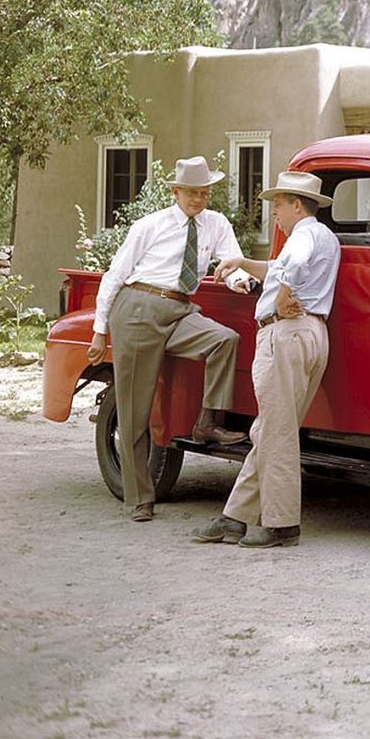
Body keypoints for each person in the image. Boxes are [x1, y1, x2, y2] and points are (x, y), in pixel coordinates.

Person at [88, 156, 246, 522]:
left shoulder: (216, 224)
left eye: (205, 193)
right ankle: (140, 496)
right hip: (140, 308)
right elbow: (115, 275)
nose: (199, 199)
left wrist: (241, 281)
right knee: (134, 409)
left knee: (224, 340)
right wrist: (99, 330)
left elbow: (231, 265)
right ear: (175, 192)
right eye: (192, 193)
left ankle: (207, 422)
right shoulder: (150, 225)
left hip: (180, 308)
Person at [190, 170, 340, 549]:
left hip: (284, 335)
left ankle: (282, 523)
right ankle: (235, 518)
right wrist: (244, 262)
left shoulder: (303, 236)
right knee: (271, 430)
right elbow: (279, 269)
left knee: (276, 432)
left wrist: (279, 297)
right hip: (313, 333)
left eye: (278, 205)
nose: (275, 213)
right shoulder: (325, 237)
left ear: (296, 204)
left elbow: (292, 267)